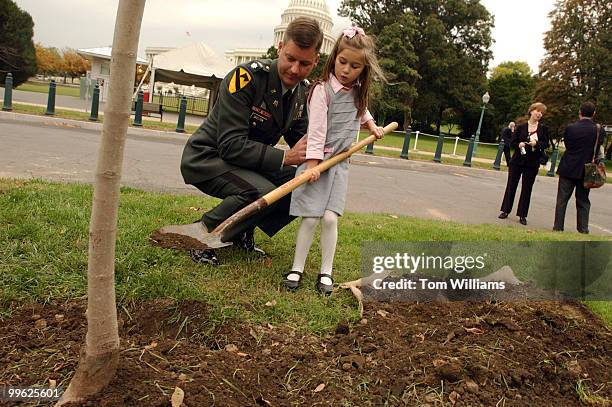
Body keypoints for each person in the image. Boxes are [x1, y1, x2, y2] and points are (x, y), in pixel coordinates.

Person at [166, 17, 323, 265]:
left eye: (304, 63)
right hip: (208, 157)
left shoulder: (302, 93)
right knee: (262, 192)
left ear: (315, 61)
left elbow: (303, 141)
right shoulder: (246, 78)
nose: (295, 69)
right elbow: (230, 145)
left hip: (248, 164)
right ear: (280, 48)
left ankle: (240, 230)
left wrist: (325, 154)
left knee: (303, 185)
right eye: (290, 58)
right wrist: (285, 157)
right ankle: (203, 234)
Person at [282, 26, 386, 294]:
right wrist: (313, 164)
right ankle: (297, 268)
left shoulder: (357, 92)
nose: (347, 70)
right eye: (342, 62)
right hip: (318, 163)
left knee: (330, 219)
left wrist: (372, 126)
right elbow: (316, 130)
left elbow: (361, 111)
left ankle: (325, 271)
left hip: (339, 166)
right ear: (333, 58)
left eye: (355, 66)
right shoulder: (322, 91)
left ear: (363, 69)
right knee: (310, 218)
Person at [553, 101, 606, 234]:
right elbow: (598, 147)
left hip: (568, 166)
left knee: (562, 199)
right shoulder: (598, 130)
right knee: (583, 200)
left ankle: (558, 226)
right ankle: (583, 228)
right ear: (593, 114)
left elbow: (568, 144)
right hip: (586, 169)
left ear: (579, 112)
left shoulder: (570, 128)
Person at [498, 102, 549, 226]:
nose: (539, 114)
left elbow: (546, 144)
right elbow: (512, 143)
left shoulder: (543, 129)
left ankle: (522, 214)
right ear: (531, 111)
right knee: (511, 185)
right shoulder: (520, 127)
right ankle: (505, 210)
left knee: (527, 189)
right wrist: (519, 144)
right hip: (517, 161)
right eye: (538, 111)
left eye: (541, 112)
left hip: (532, 162)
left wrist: (536, 144)